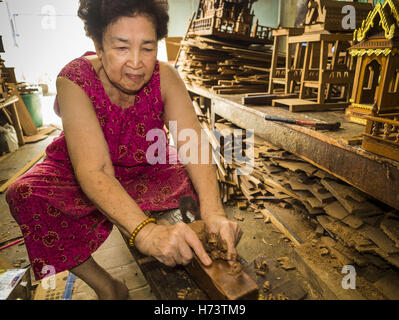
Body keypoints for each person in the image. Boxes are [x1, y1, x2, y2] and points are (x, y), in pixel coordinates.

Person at [6, 0, 242, 300]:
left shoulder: (166, 77)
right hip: (85, 164)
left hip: (144, 163)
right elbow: (95, 170)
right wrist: (145, 232)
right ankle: (108, 287)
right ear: (98, 45)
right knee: (25, 195)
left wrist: (214, 213)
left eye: (147, 47)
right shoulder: (74, 79)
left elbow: (192, 145)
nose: (136, 62)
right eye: (121, 47)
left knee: (189, 191)